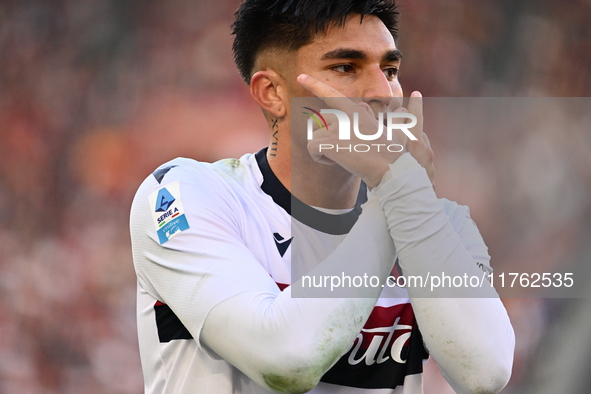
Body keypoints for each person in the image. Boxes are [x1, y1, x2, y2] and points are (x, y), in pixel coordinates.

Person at [130, 0, 515, 393]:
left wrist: (400, 191)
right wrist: (396, 189)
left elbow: (484, 372)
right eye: (345, 68)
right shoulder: (186, 194)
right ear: (273, 92)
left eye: (390, 70)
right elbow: (286, 360)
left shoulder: (440, 222)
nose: (382, 93)